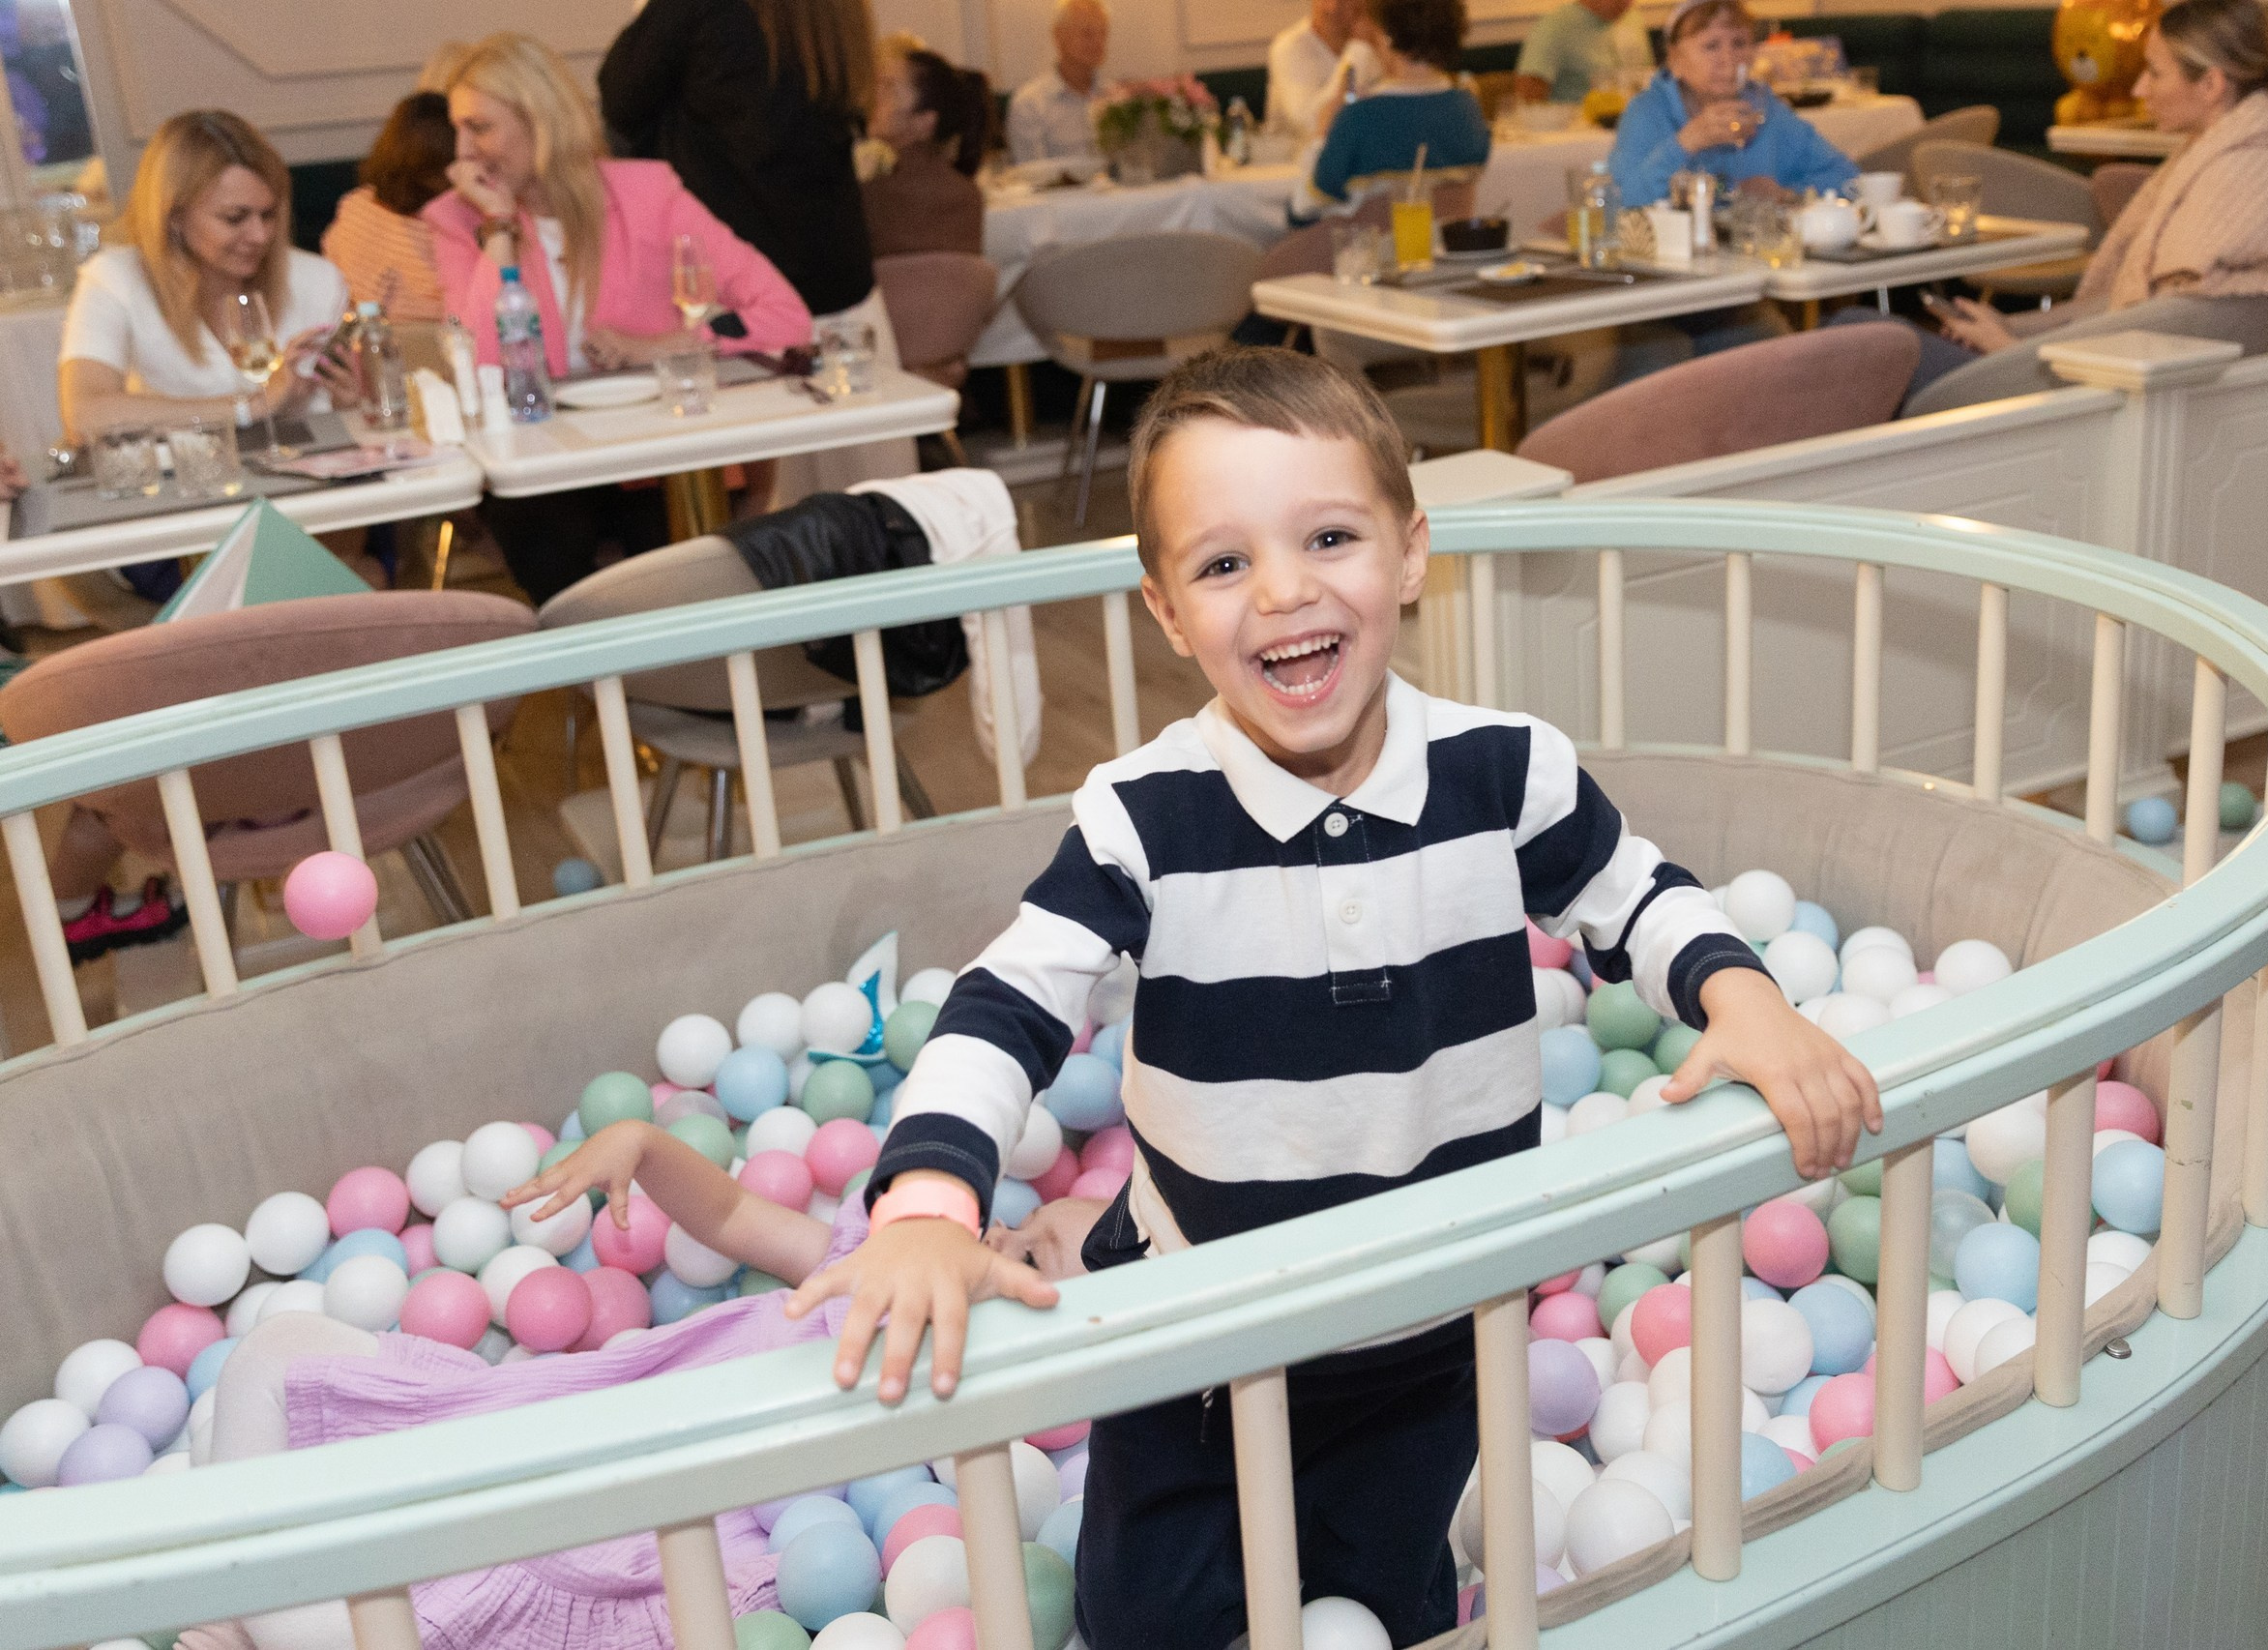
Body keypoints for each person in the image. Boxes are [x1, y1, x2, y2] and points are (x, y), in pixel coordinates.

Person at [789, 345, 1881, 1650]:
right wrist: (927, 1206)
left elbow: (1635, 893)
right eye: (1226, 562)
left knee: (1391, 1600)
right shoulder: (1148, 818)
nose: (1286, 591)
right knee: (1146, 1612)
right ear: (1167, 610)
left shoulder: (1501, 771)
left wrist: (1745, 999)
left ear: (1410, 555)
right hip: (1197, 1328)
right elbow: (1007, 1000)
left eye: (1327, 536)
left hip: (1433, 1322)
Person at [169, 1122, 1043, 1650]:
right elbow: (737, 1217)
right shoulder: (868, 1262)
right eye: (1020, 1220)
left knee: (414, 1595)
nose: (1003, 1236)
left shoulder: (974, 1421)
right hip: (555, 1415)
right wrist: (648, 1148)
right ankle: (243, 1600)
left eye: (1036, 1256)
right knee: (274, 1351)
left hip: (648, 1531)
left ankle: (239, 1614)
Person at [425, 34, 811, 603]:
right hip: (542, 466)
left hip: (653, 456)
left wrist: (665, 344)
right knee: (550, 546)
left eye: (479, 128)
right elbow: (485, 362)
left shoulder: (648, 193)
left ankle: (681, 687)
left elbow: (786, 315)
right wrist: (499, 228)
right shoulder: (457, 221)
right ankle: (616, 685)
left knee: (677, 553)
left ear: (540, 119)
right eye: (458, 129)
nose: (461, 152)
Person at [1874, 0, 2268, 398]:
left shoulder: (2234, 183)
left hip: (2060, 390)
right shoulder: (2245, 161)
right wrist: (2014, 327)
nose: (2140, 90)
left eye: (2154, 73)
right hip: (2071, 374)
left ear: (2212, 85)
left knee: (1864, 336)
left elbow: (2152, 333)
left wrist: (2006, 348)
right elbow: (2139, 307)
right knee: (1872, 337)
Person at [58, 109, 359, 448]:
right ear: (174, 216)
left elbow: (360, 415)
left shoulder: (318, 280)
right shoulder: (115, 280)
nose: (260, 235)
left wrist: (350, 406)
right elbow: (85, 418)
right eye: (235, 218)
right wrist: (250, 408)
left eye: (269, 214)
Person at [599, 0, 879, 324]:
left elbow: (620, 97)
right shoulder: (836, 11)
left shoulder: (708, 11)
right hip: (836, 274)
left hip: (742, 288)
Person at [1609, 0, 1856, 208]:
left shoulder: (1765, 111)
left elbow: (1849, 179)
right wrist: (1686, 142)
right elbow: (1621, 203)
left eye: (1739, 43)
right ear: (1675, 59)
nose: (1728, 59)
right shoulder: (1647, 112)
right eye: (1711, 46)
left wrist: (1787, 194)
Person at [1299, 0, 1490, 216]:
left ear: (1386, 35)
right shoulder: (1469, 109)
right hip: (1444, 244)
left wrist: (1321, 136)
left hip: (1368, 245)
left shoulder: (1359, 117)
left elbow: (1305, 207)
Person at [321, 92, 454, 321]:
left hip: (356, 342)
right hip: (431, 348)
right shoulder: (450, 229)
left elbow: (329, 276)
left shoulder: (355, 206)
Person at [862, 46, 992, 258]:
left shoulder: (876, 194)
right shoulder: (965, 191)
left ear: (924, 122)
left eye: (889, 87)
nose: (874, 95)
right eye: (878, 83)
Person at [1007, 0, 1108, 163]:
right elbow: (1034, 178)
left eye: (1103, 33)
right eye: (1087, 33)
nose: (1098, 42)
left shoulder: (1115, 98)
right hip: (1060, 189)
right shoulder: (1030, 104)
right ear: (1058, 36)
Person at [1266, 0, 1382, 138]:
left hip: (1363, 150)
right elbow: (1310, 124)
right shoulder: (1290, 47)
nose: (1332, 7)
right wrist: (1358, 49)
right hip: (1297, 156)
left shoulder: (1381, 43)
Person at [1515, 0, 1652, 107]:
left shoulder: (1633, 19)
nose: (1626, 2)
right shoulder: (1555, 26)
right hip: (1577, 134)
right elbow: (1527, 95)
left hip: (1632, 123)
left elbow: (1649, 78)